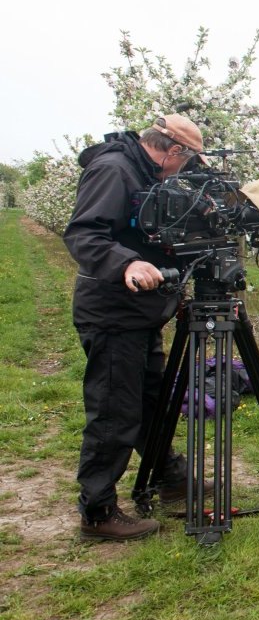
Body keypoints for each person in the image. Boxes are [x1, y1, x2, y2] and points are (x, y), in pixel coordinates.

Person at [63, 114, 209, 541]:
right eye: (188, 160)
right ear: (174, 150)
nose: (186, 169)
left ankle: (167, 476)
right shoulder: (114, 169)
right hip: (112, 311)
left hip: (141, 310)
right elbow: (84, 235)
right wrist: (126, 262)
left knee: (150, 398)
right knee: (114, 409)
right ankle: (97, 511)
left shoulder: (144, 173)